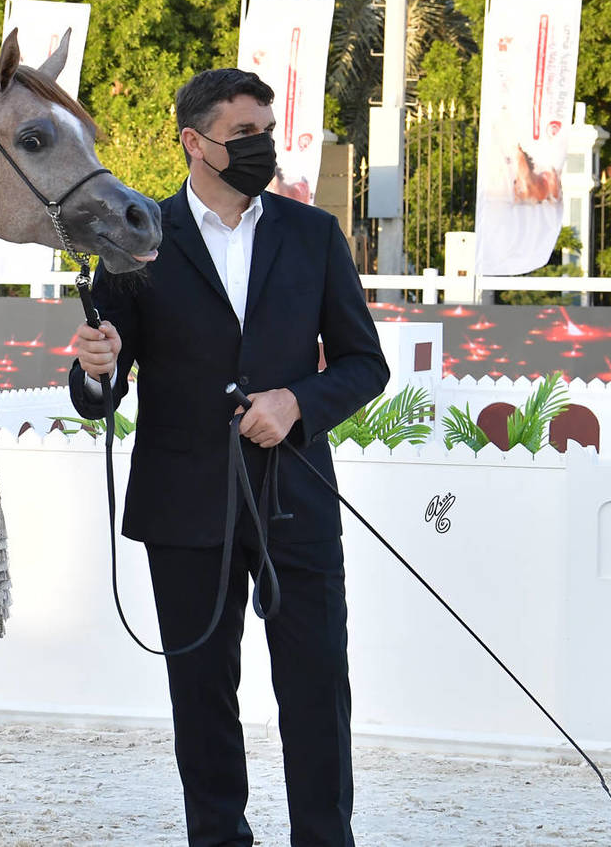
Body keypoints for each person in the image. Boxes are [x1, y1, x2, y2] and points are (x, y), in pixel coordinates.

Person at [69, 68, 388, 847]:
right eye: (244, 134)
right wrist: (95, 365)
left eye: (267, 132)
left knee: (317, 692)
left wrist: (296, 405)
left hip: (296, 500)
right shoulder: (136, 239)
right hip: (185, 507)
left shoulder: (313, 235)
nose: (263, 147)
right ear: (194, 142)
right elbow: (98, 388)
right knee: (202, 698)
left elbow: (363, 363)